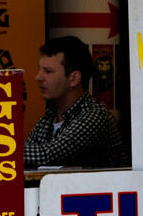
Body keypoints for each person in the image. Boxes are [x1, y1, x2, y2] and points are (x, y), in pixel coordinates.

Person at [24, 36, 127, 169]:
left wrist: (1, 154)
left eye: (48, 71)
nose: (38, 77)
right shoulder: (49, 117)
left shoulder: (94, 115)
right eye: (40, 70)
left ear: (74, 78)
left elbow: (48, 154)